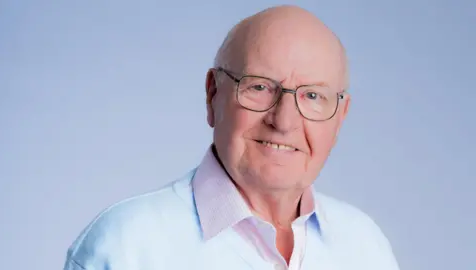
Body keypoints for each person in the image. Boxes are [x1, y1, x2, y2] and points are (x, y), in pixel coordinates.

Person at [63, 5, 400, 270]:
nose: (283, 121)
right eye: (259, 87)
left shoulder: (365, 246)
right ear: (213, 95)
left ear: (340, 118)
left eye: (312, 97)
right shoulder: (126, 247)